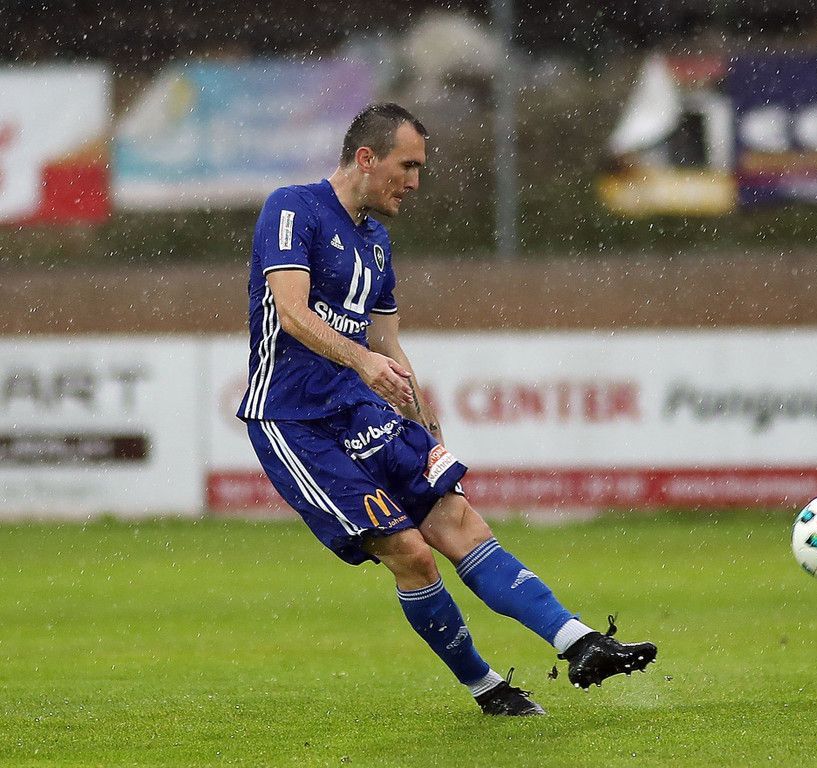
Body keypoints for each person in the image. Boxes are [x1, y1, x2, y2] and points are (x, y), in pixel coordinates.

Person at [238, 102, 656, 716]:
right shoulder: (292, 207)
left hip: (360, 408)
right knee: (410, 552)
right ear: (365, 158)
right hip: (294, 419)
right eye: (407, 166)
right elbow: (291, 312)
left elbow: (389, 347)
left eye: (420, 168)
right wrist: (362, 362)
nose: (415, 182)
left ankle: (581, 642)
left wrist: (426, 425)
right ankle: (489, 689)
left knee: (459, 518)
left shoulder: (377, 243)